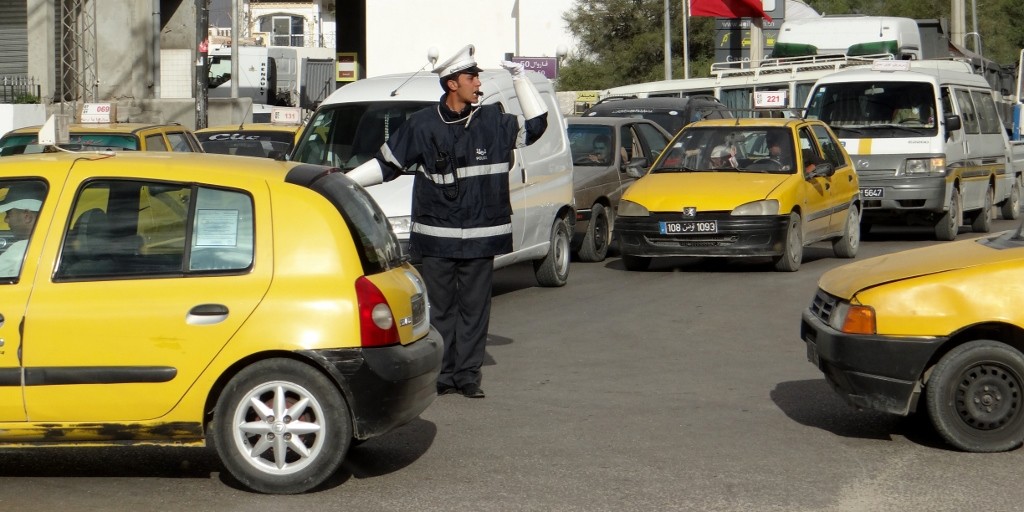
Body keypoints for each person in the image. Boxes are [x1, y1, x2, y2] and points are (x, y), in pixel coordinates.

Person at [347, 44, 549, 399]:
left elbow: (536, 126)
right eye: (472, 77)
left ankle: (468, 376)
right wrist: (344, 183)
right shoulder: (422, 124)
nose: (479, 83)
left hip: (482, 235)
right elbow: (386, 165)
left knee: (475, 309)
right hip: (437, 236)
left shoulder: (492, 121)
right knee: (440, 310)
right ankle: (443, 374)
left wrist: (520, 78)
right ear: (452, 83)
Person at [0, 182, 45, 278]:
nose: (6, 220)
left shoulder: (21, 250)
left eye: (8, 214)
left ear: (27, 216)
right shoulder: (48, 244)